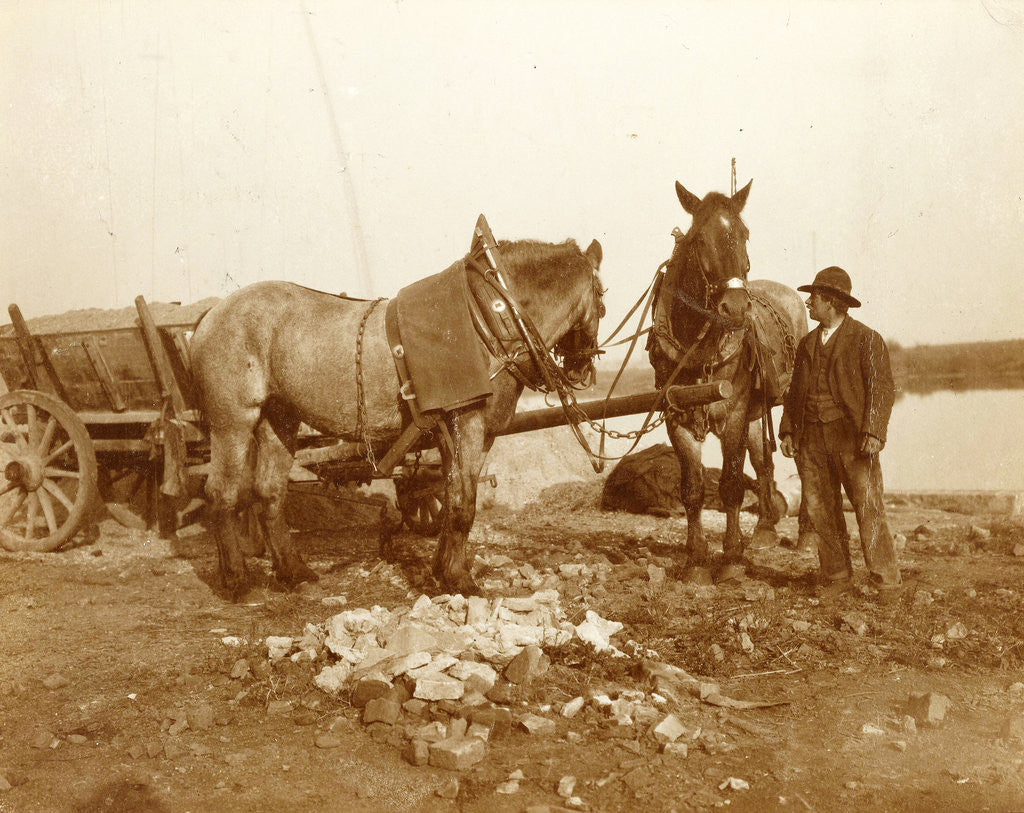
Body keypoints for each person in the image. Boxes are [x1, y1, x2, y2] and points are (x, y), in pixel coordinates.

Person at [779, 266, 901, 599]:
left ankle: (886, 582)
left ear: (831, 302)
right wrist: (788, 431)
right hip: (812, 441)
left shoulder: (866, 339)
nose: (807, 303)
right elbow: (795, 393)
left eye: (813, 297)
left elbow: (881, 389)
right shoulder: (806, 344)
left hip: (854, 440)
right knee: (821, 509)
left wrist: (874, 431)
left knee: (868, 508)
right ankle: (836, 577)